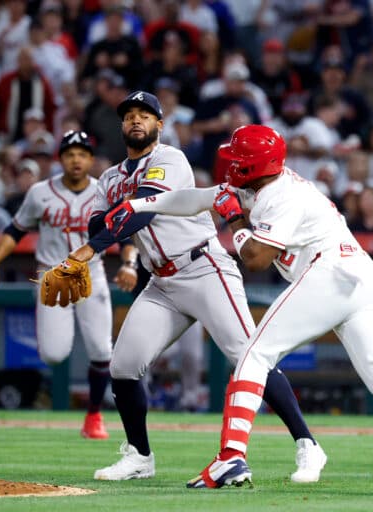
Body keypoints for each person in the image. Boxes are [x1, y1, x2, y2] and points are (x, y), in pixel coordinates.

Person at [109, 124, 373, 488]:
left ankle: (231, 456)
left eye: (237, 158)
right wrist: (139, 204)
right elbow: (196, 197)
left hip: (332, 274)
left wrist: (234, 220)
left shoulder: (281, 195)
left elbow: (255, 257)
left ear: (252, 165)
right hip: (364, 280)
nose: (230, 163)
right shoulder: (258, 183)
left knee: (253, 356)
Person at [49, 92, 324, 483]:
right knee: (123, 366)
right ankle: (139, 457)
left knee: (250, 357)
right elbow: (97, 224)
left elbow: (141, 213)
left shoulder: (169, 159)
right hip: (161, 281)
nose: (136, 120)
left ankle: (307, 444)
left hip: (204, 268)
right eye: (129, 115)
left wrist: (94, 244)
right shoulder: (110, 178)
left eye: (145, 114)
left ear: (160, 125)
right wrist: (103, 231)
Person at [0, 130, 123, 440]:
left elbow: (127, 232)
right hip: (52, 274)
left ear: (91, 159)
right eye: (70, 154)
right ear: (61, 159)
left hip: (91, 272)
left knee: (101, 349)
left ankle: (94, 416)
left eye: (82, 154)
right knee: (54, 353)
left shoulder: (104, 193)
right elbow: (14, 230)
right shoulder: (40, 192)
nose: (76, 159)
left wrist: (131, 264)